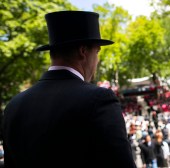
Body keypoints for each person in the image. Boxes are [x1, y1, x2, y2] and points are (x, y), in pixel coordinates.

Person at [3, 11, 137, 168]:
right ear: (83, 51)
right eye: (97, 52)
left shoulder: (14, 106)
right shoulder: (99, 99)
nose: (97, 60)